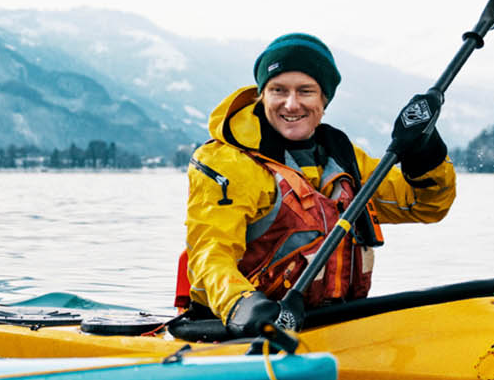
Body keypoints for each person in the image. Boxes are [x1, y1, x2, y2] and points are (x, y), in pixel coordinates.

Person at [180, 32, 455, 337]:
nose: (291, 104)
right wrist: (242, 306)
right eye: (278, 90)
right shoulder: (229, 163)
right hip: (240, 331)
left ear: (324, 99)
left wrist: (426, 151)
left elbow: (426, 206)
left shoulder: (345, 159)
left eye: (306, 91)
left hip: (331, 326)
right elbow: (210, 254)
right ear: (262, 95)